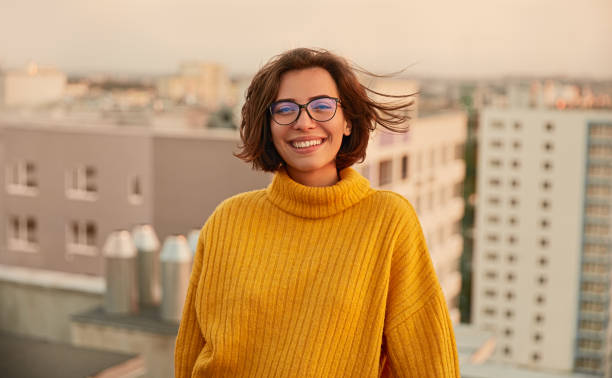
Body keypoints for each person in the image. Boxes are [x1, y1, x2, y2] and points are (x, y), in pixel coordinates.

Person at [175, 48, 460, 377]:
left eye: (322, 106)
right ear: (268, 126)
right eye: (285, 109)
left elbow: (430, 363)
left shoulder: (388, 221)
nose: (304, 122)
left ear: (348, 121)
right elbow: (191, 352)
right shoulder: (227, 221)